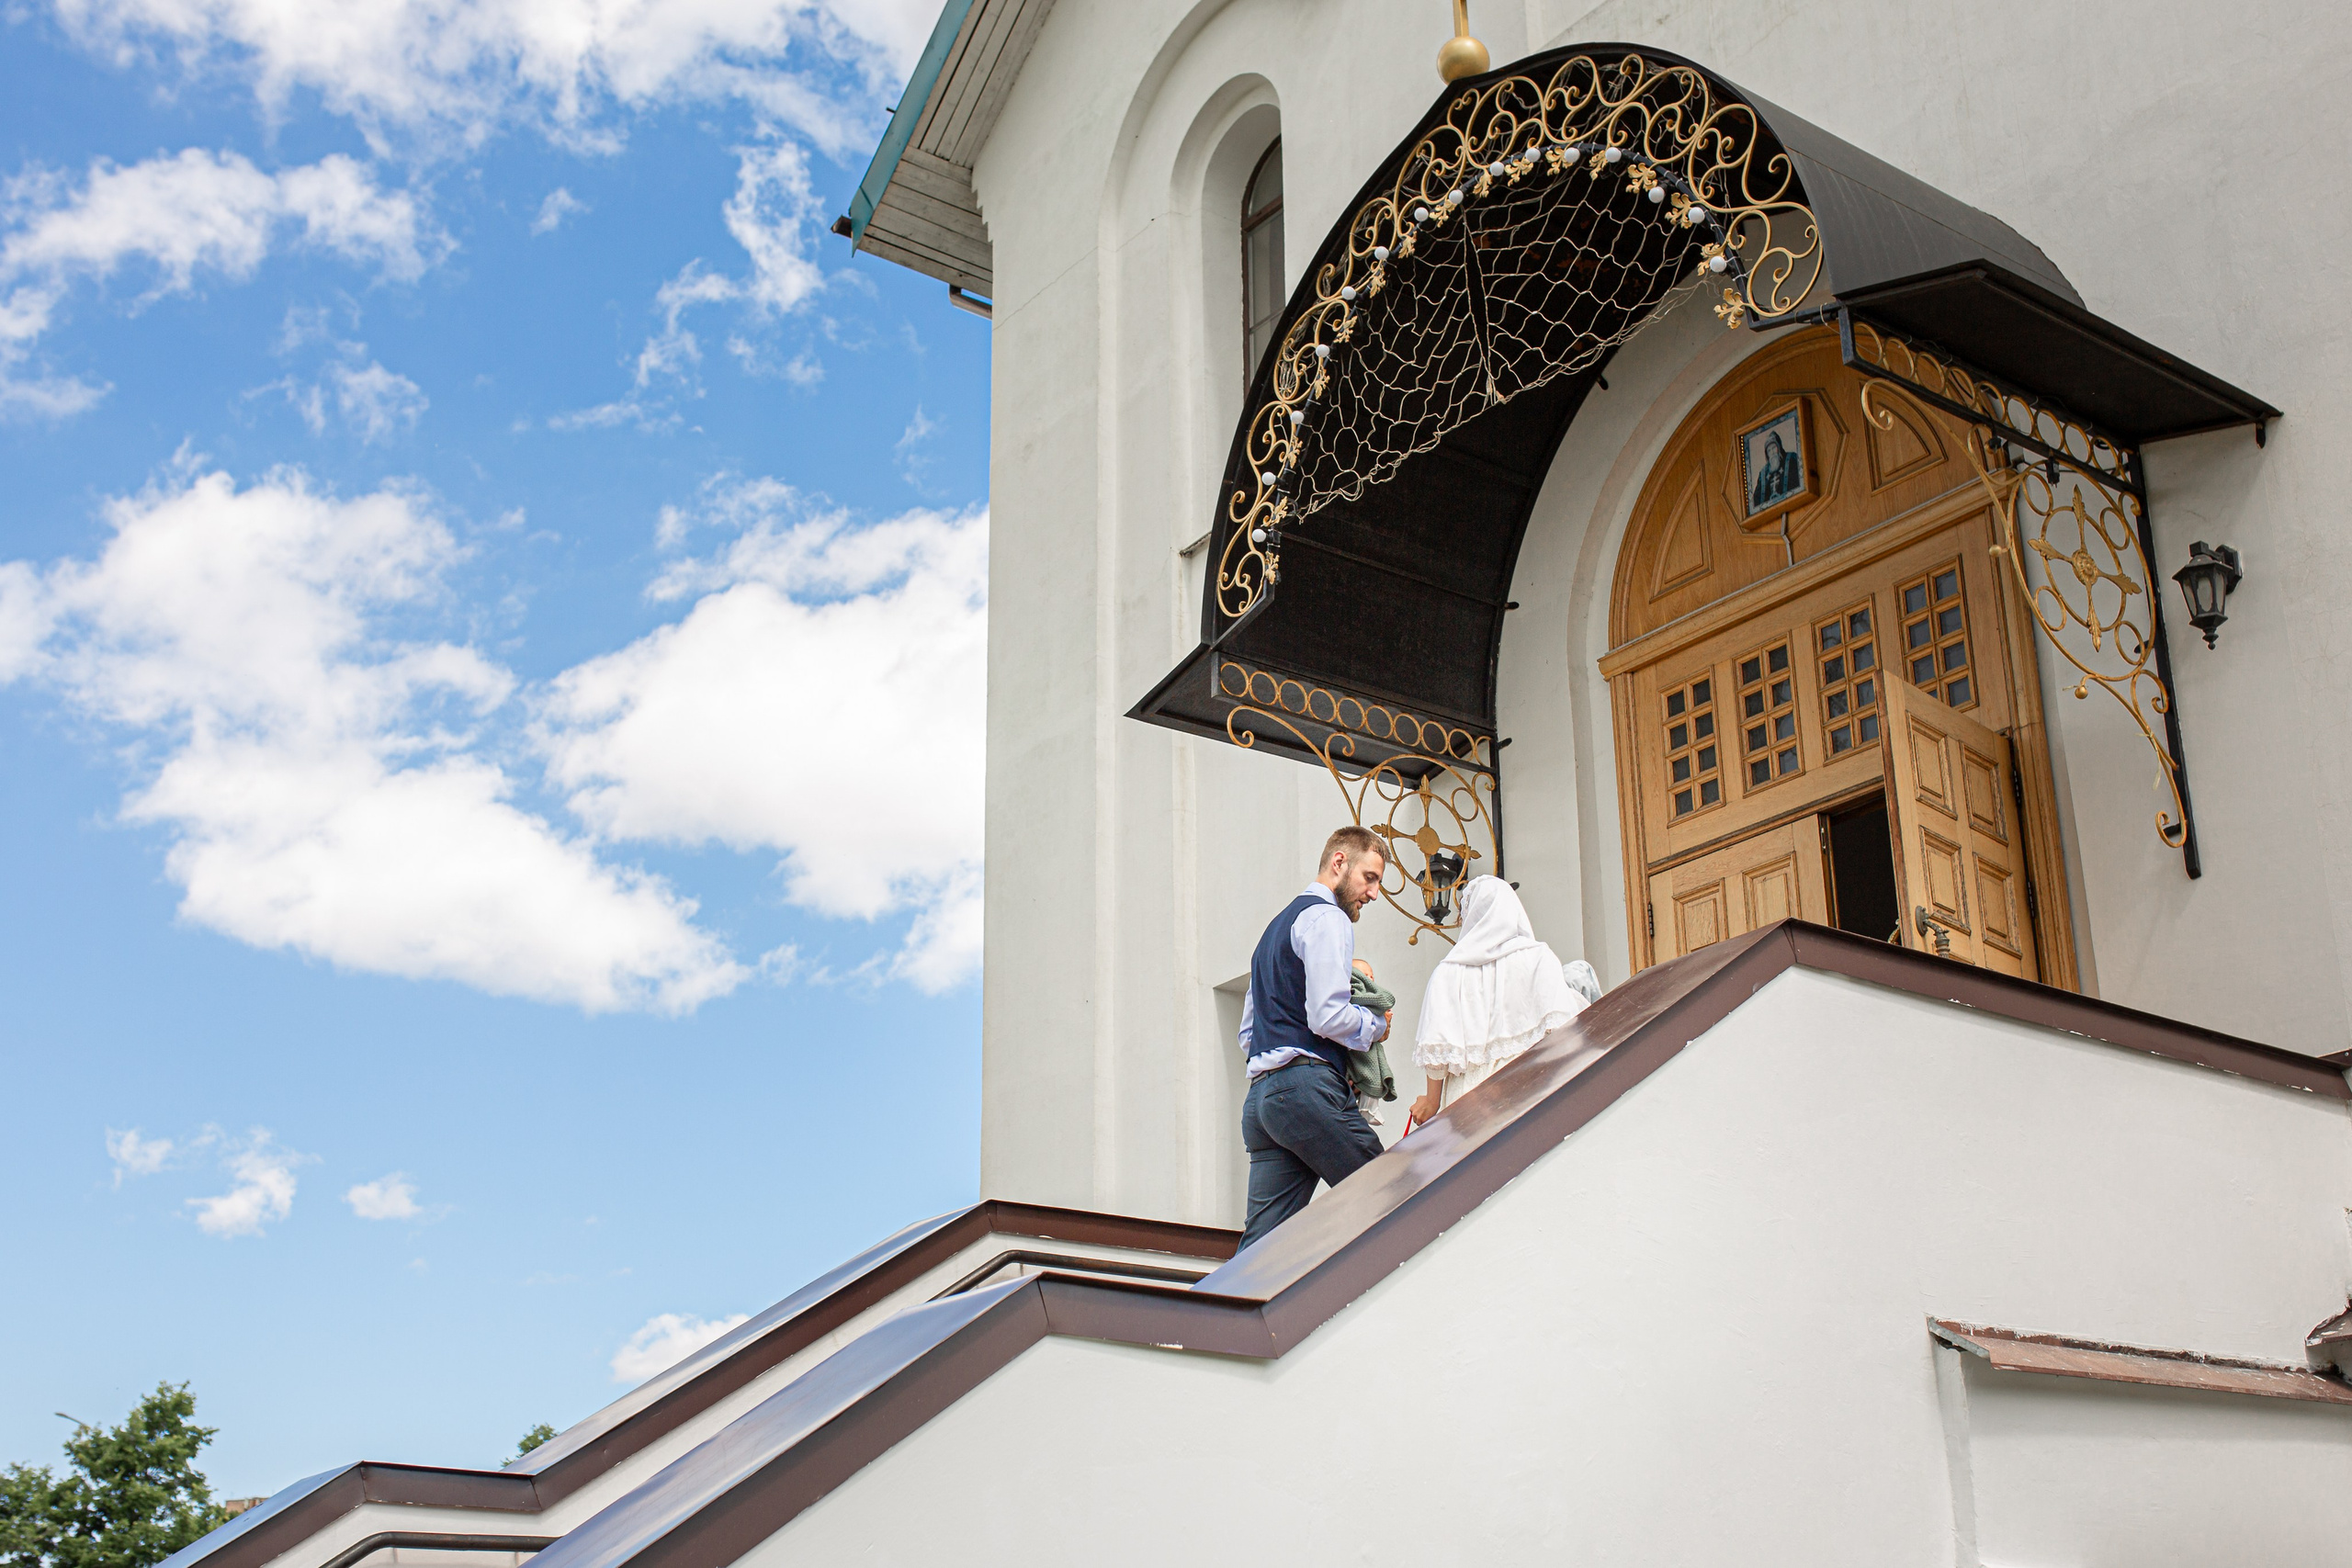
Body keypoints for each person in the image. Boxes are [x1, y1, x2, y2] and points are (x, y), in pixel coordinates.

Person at [1236, 826, 1394, 1249]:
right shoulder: (1328, 918)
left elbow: (1248, 1032)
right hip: (1304, 1091)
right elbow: (1328, 1016)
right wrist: (1377, 1025)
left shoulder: (1272, 932)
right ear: (1339, 863)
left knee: (1261, 1249)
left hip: (1261, 1102)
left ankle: (1219, 1313)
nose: (1374, 894)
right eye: (1371, 878)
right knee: (1390, 1195)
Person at [1408, 876, 1588, 1127]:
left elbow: (1436, 1051)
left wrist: (1431, 1101)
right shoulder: (1539, 957)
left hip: (1466, 1102)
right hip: (1526, 1092)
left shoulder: (1448, 972)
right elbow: (1564, 1032)